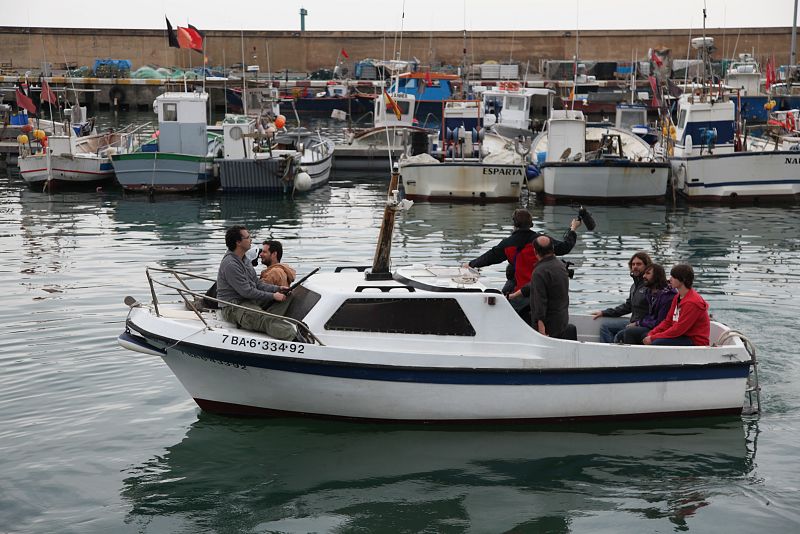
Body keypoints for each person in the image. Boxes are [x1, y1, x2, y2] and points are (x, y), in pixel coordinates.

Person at [465, 208, 581, 313]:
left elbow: (489, 257)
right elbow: (565, 247)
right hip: (541, 293)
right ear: (531, 224)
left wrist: (470, 264)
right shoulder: (541, 241)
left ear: (514, 224)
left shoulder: (507, 244)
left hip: (519, 295)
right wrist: (573, 228)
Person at [216, 225, 296, 341]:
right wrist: (273, 296)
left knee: (288, 295)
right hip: (233, 307)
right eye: (248, 237)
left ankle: (258, 320)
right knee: (267, 319)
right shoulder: (231, 264)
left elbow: (257, 284)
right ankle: (294, 335)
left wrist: (277, 289)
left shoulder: (245, 260)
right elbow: (247, 292)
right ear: (238, 242)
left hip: (248, 301)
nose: (251, 240)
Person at [591, 251, 652, 343]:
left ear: (647, 266)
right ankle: (609, 350)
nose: (635, 267)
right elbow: (628, 306)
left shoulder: (650, 286)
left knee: (617, 334)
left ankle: (612, 352)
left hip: (643, 324)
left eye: (639, 264)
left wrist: (638, 323)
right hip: (633, 321)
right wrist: (604, 313)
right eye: (633, 264)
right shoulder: (634, 286)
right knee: (605, 327)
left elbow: (654, 313)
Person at [644, 264, 710, 346]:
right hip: (682, 336)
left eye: (673, 277)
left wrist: (653, 338)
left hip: (695, 341)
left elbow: (678, 329)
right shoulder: (677, 297)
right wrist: (652, 333)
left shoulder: (692, 302)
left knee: (657, 342)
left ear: (683, 280)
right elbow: (668, 321)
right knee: (646, 336)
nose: (670, 279)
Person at [529, 235, 577, 340]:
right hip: (562, 320)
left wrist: (542, 331)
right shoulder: (560, 266)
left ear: (535, 251)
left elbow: (540, 304)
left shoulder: (539, 272)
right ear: (553, 248)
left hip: (548, 327)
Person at [620, 263, 677, 344]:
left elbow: (660, 322)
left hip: (660, 328)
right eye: (644, 273)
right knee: (620, 335)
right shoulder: (649, 292)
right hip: (650, 325)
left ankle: (633, 355)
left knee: (629, 332)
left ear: (656, 276)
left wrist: (638, 323)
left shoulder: (667, 296)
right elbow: (650, 316)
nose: (644, 276)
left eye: (648, 273)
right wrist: (638, 323)